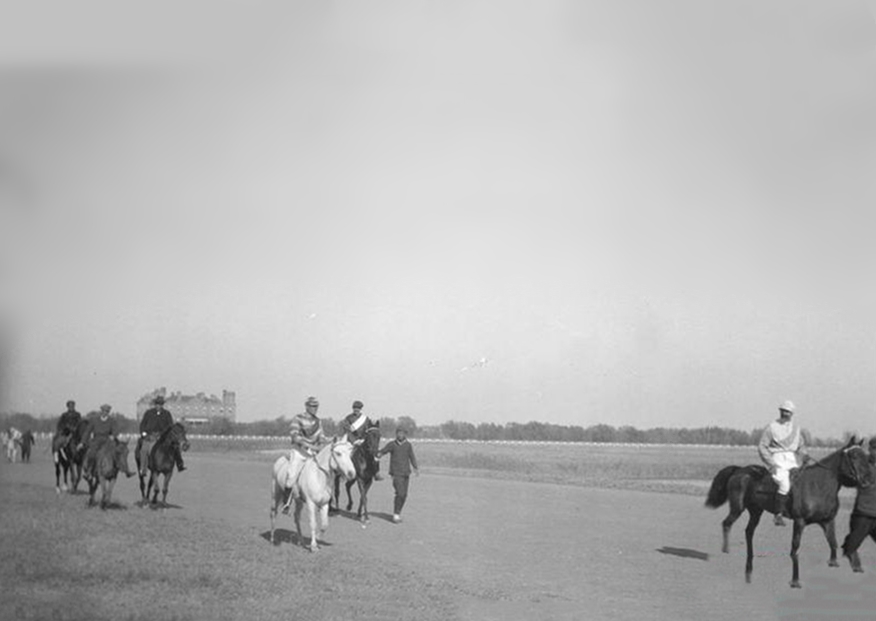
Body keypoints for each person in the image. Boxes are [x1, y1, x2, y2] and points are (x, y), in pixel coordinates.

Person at [758, 400, 809, 526]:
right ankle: (778, 514)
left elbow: (800, 446)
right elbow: (762, 446)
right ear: (780, 411)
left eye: (788, 412)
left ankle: (797, 510)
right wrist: (771, 464)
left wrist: (804, 455)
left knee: (800, 482)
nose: (785, 414)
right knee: (785, 485)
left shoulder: (796, 428)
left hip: (792, 460)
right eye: (783, 411)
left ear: (792, 413)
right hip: (777, 459)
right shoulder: (771, 427)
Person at [282, 396, 330, 512]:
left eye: (316, 406)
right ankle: (286, 503)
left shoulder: (318, 421)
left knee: (324, 472)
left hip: (312, 453)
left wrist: (325, 443)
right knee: (292, 475)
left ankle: (324, 499)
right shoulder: (297, 418)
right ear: (307, 407)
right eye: (313, 406)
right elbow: (294, 435)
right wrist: (310, 445)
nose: (315, 409)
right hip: (299, 451)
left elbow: (321, 436)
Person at [841, 437, 876, 572]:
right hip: (863, 513)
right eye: (874, 449)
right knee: (851, 546)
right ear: (870, 449)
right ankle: (854, 570)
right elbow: (847, 478)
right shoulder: (862, 463)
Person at [376, 426, 419, 523]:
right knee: (400, 493)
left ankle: (398, 513)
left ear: (405, 435)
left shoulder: (408, 445)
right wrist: (378, 454)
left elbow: (411, 456)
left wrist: (415, 467)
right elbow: (383, 451)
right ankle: (395, 515)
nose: (400, 435)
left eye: (402, 433)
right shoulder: (392, 444)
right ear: (396, 434)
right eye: (398, 433)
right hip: (396, 473)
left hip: (406, 473)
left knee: (404, 495)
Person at [138, 394, 185, 476]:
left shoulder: (167, 414)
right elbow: (142, 424)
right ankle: (143, 469)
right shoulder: (148, 413)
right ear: (155, 404)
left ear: (162, 405)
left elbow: (170, 426)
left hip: (163, 437)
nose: (158, 406)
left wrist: (165, 434)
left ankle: (180, 465)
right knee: (144, 450)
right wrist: (143, 433)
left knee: (175, 448)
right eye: (157, 404)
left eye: (160, 404)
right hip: (150, 436)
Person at [81, 404, 126, 481]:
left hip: (107, 440)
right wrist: (82, 442)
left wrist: (114, 435)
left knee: (116, 452)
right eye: (104, 411)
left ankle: (118, 469)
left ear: (108, 412)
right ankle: (89, 471)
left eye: (107, 411)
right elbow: (87, 431)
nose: (105, 413)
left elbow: (115, 430)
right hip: (96, 440)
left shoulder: (112, 421)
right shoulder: (94, 420)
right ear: (101, 411)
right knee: (92, 453)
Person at [340, 400, 382, 481]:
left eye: (358, 408)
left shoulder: (366, 419)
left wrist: (363, 440)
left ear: (360, 409)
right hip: (351, 441)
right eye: (355, 408)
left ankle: (376, 473)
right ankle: (343, 474)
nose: (356, 410)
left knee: (374, 454)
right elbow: (347, 431)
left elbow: (368, 431)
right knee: (345, 455)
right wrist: (354, 441)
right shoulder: (348, 418)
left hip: (362, 440)